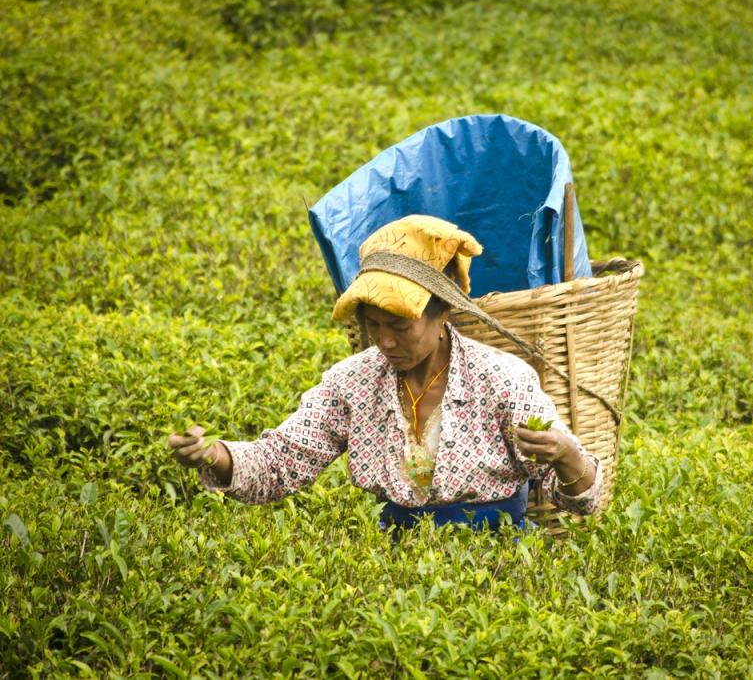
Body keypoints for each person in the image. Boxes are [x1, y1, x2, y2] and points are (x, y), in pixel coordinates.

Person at [168, 215, 601, 531]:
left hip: (493, 564)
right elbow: (282, 461)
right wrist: (215, 455)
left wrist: (564, 453)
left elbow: (583, 502)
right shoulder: (352, 383)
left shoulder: (501, 379)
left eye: (399, 326)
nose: (384, 342)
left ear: (442, 313)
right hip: (391, 564)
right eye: (372, 326)